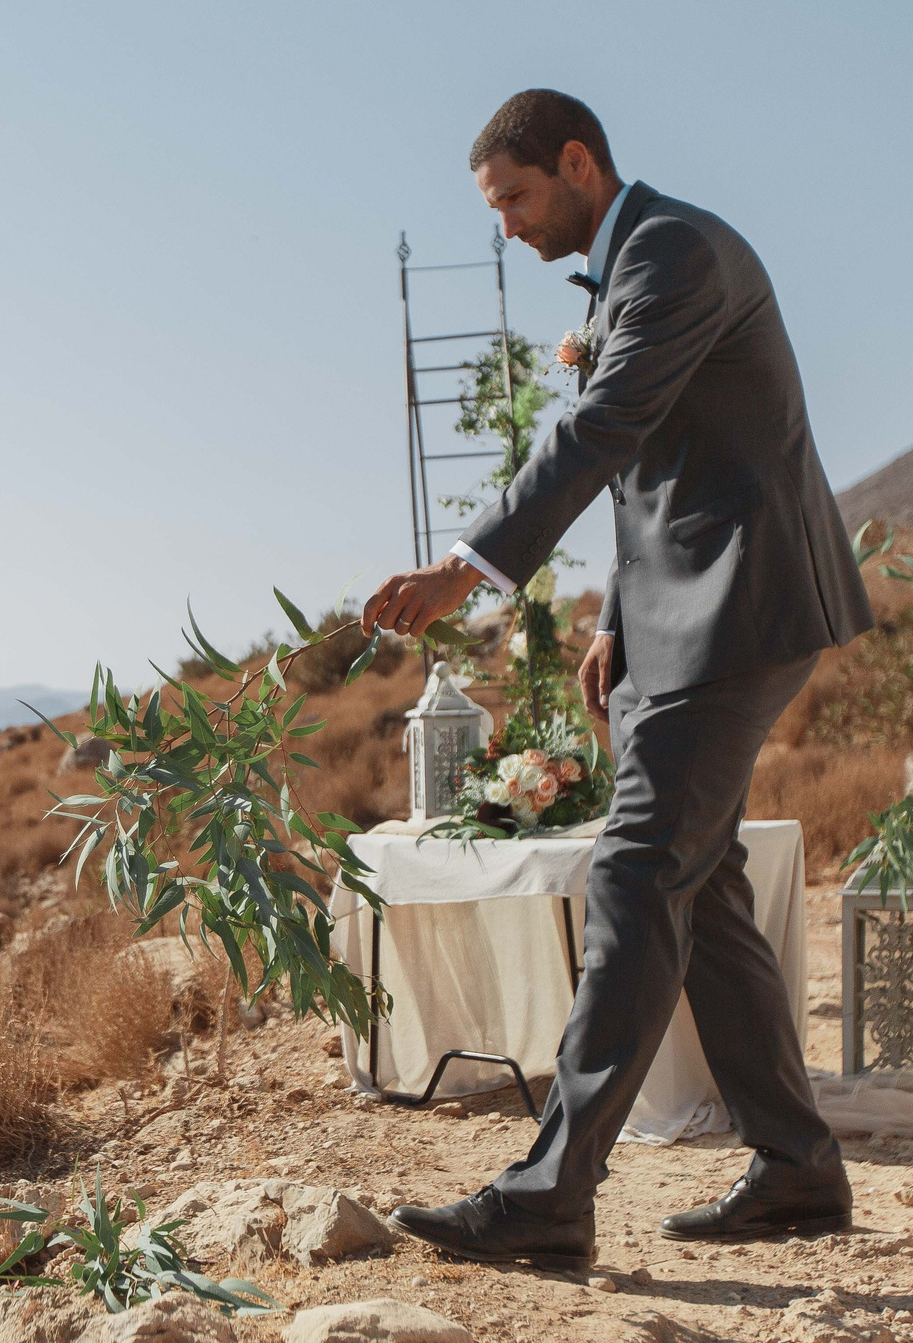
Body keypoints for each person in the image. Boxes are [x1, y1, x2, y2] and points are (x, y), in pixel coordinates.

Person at [359, 90, 875, 1271]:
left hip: (743, 602)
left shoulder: (673, 252)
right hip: (685, 607)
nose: (506, 227)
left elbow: (600, 429)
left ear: (578, 163)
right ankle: (797, 1169)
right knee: (703, 884)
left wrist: (461, 568)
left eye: (515, 198)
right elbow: (653, 465)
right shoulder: (632, 265)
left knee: (638, 872)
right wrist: (616, 617)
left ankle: (549, 1195)